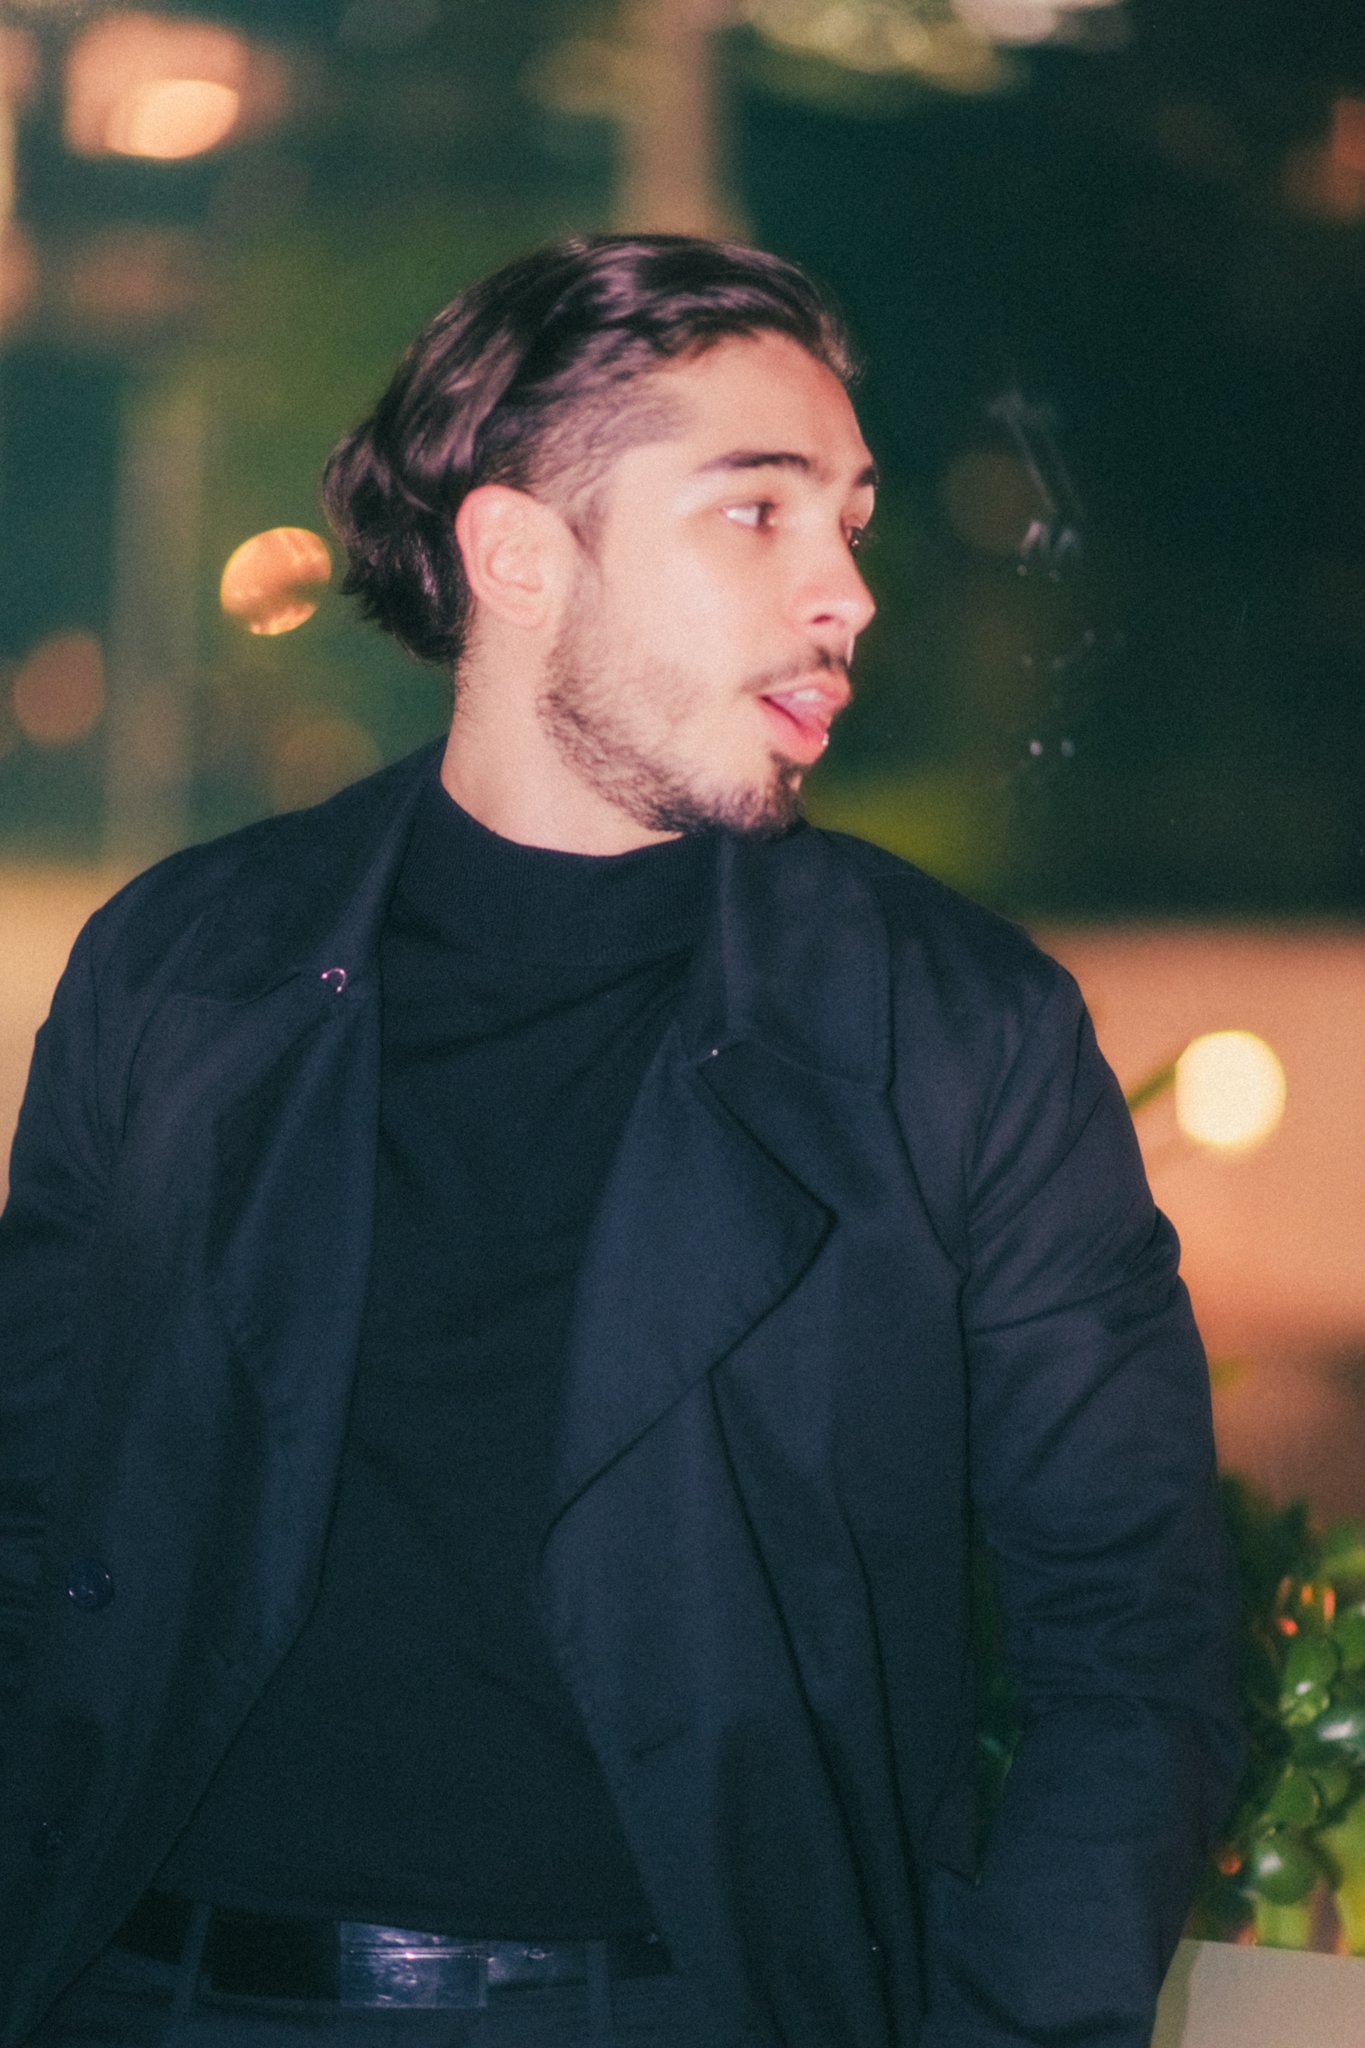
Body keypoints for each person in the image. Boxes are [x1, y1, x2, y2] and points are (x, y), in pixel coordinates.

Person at [0, 235, 1242, 2048]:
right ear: (516, 553)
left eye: (851, 518)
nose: (845, 591)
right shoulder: (184, 968)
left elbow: (1129, 1642)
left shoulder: (952, 1031)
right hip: (148, 1989)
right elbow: (29, 1510)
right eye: (756, 514)